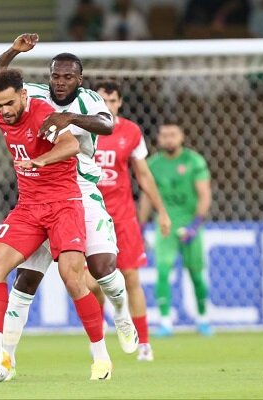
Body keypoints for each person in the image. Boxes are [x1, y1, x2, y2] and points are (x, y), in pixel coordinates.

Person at [0, 33, 138, 376]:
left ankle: (122, 314)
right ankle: (5, 357)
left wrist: (70, 119)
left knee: (102, 268)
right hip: (37, 195)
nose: (60, 82)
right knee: (25, 279)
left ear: (80, 79)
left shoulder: (89, 100)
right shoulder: (29, 95)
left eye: (68, 77)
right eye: (55, 76)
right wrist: (13, 51)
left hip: (80, 189)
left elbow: (106, 124)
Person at [91, 80, 172, 361]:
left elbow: (144, 175)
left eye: (112, 101)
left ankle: (144, 342)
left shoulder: (131, 132)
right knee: (90, 284)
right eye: (102, 101)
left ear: (120, 103)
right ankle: (102, 325)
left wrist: (162, 211)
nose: (107, 106)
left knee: (131, 277)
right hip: (90, 214)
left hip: (122, 216)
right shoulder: (80, 129)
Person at [139, 122, 213, 337]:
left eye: (173, 135)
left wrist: (195, 226)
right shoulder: (153, 164)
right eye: (164, 135)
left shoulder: (194, 161)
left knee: (196, 274)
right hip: (165, 225)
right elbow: (147, 197)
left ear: (182, 137)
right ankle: (165, 322)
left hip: (190, 224)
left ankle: (203, 319)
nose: (169, 139)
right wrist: (141, 226)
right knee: (163, 271)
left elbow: (204, 195)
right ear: (158, 139)